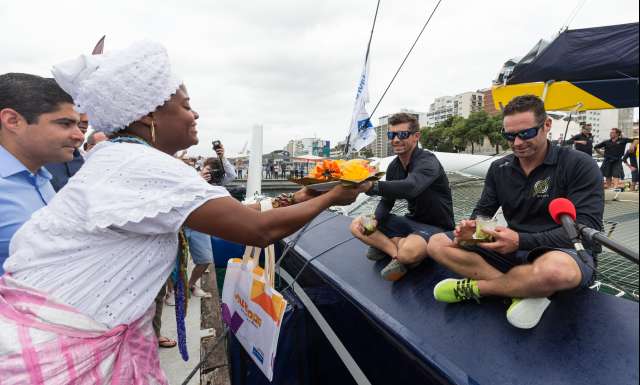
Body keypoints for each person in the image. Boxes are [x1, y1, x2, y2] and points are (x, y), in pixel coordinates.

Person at [0, 41, 368, 383]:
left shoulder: (119, 158)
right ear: (149, 116)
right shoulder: (140, 164)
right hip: (57, 349)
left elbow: (227, 212)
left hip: (50, 332)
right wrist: (330, 198)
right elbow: (257, 229)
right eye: (185, 104)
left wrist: (302, 195)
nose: (195, 114)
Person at [426, 95, 604, 329]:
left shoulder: (579, 164)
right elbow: (484, 213)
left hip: (564, 251)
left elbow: (584, 230)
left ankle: (480, 288)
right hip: (513, 250)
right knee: (437, 243)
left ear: (546, 125)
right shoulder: (499, 168)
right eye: (509, 136)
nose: (517, 142)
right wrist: (473, 231)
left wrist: (520, 240)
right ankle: (519, 290)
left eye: (526, 133)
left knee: (555, 271)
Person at [350, 112, 454, 281]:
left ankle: (392, 247)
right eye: (392, 135)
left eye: (402, 134)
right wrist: (376, 219)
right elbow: (387, 200)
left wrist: (371, 186)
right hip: (410, 221)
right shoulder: (394, 167)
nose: (396, 139)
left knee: (409, 252)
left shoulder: (428, 161)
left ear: (416, 137)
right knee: (357, 225)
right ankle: (395, 253)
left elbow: (410, 188)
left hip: (437, 227)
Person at [0, 73, 83, 274]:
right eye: (65, 123)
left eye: (78, 125)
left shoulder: (42, 178)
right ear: (12, 120)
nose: (79, 136)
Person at [43, 113, 88, 191]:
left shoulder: (81, 160)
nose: (81, 137)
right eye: (66, 124)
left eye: (83, 131)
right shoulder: (36, 161)